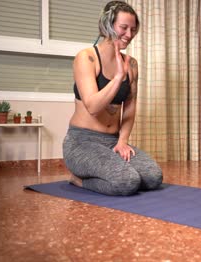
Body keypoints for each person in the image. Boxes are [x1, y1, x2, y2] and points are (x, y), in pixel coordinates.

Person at [63, 1, 163, 196]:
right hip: (82, 143)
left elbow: (130, 108)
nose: (129, 34)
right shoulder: (86, 57)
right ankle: (78, 180)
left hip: (113, 141)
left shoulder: (132, 64)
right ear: (108, 25)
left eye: (133, 29)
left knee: (153, 177)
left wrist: (123, 141)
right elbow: (92, 106)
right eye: (123, 28)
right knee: (127, 181)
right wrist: (118, 77)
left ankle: (110, 170)